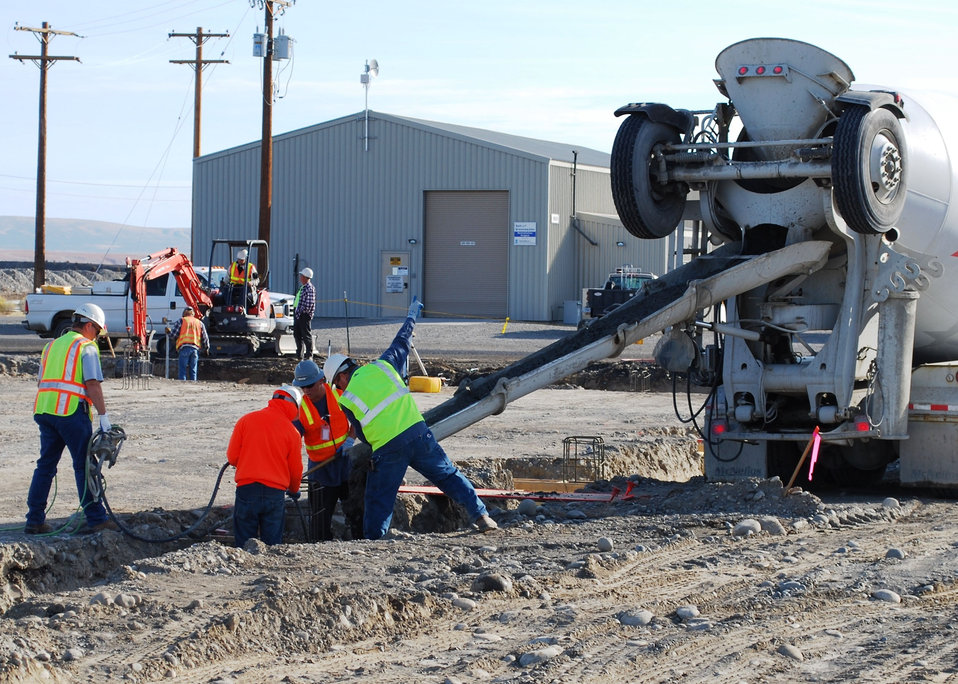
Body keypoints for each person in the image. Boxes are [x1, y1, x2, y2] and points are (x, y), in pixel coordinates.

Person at [324, 297, 498, 540]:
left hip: (388, 448)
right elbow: (403, 339)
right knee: (447, 475)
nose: (339, 389)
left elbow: (363, 433)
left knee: (379, 497)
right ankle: (481, 516)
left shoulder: (346, 400)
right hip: (418, 434)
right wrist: (412, 315)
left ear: (341, 377)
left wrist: (350, 445)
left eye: (337, 384)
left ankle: (374, 541)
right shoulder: (383, 365)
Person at [26, 303, 119, 535]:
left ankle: (34, 520)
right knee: (84, 466)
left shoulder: (51, 346)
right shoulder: (85, 347)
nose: (97, 337)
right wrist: (104, 416)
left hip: (46, 411)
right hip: (70, 413)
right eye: (97, 332)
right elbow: (92, 384)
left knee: (45, 466)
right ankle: (96, 518)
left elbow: (42, 381)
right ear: (88, 325)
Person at [291, 359, 362, 541]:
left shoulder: (339, 394)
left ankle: (360, 541)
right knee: (319, 519)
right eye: (302, 387)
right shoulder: (300, 409)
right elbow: (291, 439)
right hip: (320, 471)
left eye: (309, 385)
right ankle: (320, 546)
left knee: (356, 511)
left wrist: (350, 439)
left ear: (322, 380)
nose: (306, 390)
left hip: (345, 464)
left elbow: (358, 419)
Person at [226, 384, 304, 547]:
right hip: (274, 493)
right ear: (295, 406)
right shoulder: (292, 432)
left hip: (247, 490)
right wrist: (294, 489)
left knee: (244, 545)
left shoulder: (246, 420)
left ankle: (242, 569)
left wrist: (250, 463)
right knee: (272, 546)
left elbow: (232, 457)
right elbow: (295, 471)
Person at [165, 307, 210, 381]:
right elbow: (205, 337)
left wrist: (168, 332)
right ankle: (193, 388)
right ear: (193, 314)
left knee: (182, 371)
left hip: (184, 348)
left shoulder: (181, 321)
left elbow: (173, 335)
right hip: (195, 349)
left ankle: (182, 388)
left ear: (184, 314)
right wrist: (207, 348)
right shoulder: (199, 323)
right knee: (193, 370)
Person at [293, 267, 316, 360]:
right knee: (297, 334)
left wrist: (302, 312)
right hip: (299, 314)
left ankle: (309, 355)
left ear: (305, 277)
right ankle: (299, 354)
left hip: (304, 315)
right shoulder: (303, 287)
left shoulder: (309, 288)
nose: (300, 277)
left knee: (306, 335)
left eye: (301, 276)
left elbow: (309, 304)